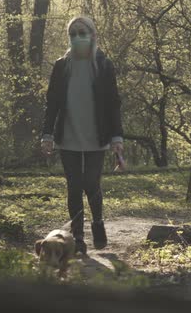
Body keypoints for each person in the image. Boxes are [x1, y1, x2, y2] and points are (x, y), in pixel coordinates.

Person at [40, 15, 124, 255]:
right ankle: (78, 238)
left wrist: (117, 137)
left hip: (97, 135)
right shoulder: (61, 65)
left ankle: (97, 222)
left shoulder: (104, 64)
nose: (78, 37)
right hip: (68, 135)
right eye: (73, 33)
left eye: (82, 32)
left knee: (91, 184)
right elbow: (52, 103)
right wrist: (47, 134)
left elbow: (113, 103)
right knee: (74, 186)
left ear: (92, 34)